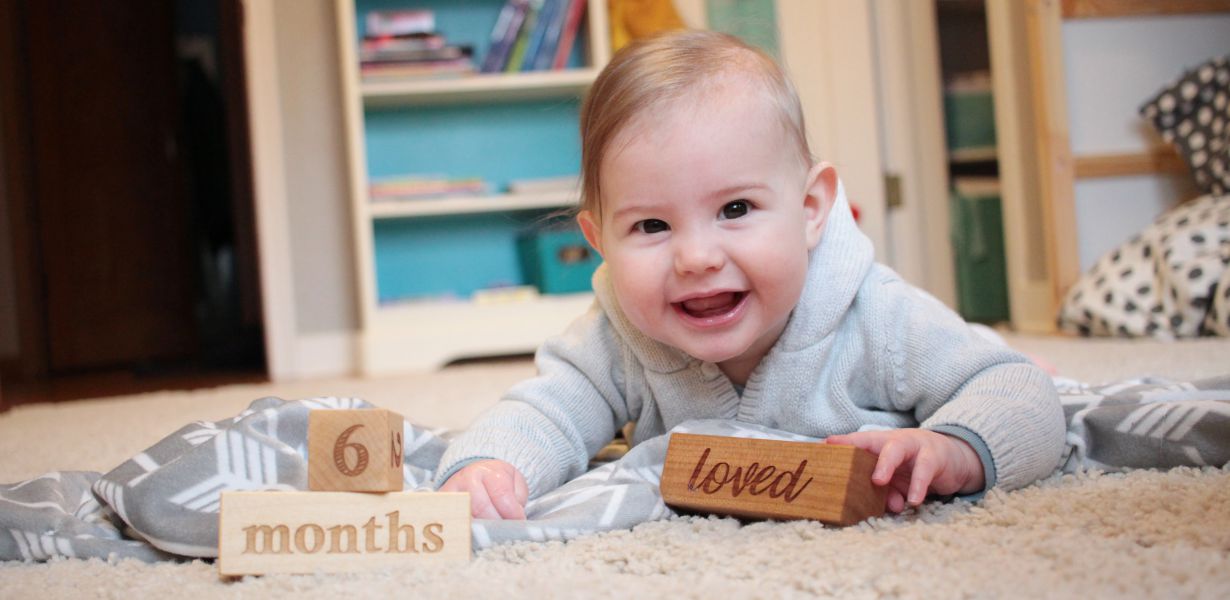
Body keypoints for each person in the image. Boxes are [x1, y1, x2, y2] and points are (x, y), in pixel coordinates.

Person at [438, 30, 1065, 519]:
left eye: (735, 210)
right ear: (600, 242)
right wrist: (491, 465)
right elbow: (546, 412)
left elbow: (1020, 398)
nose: (696, 257)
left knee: (1016, 374)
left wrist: (956, 448)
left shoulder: (875, 316)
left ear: (811, 209)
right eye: (651, 227)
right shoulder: (617, 335)